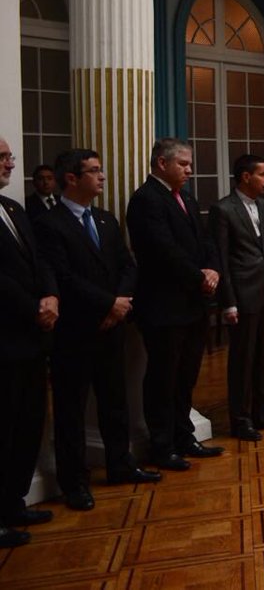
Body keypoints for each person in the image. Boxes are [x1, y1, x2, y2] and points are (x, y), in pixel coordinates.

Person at [38, 149, 160, 511]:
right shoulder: (49, 223)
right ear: (71, 178)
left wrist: (120, 303)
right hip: (75, 330)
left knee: (115, 401)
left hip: (112, 327)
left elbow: (128, 265)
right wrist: (108, 304)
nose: (102, 176)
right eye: (94, 171)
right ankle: (74, 482)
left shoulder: (105, 219)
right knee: (71, 409)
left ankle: (120, 463)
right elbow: (63, 277)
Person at [126, 138, 223, 471]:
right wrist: (199, 276)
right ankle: (162, 445)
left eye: (189, 164)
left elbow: (206, 240)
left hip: (194, 303)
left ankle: (184, 436)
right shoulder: (146, 200)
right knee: (163, 378)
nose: (189, 170)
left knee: (186, 376)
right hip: (164, 305)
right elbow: (161, 250)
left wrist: (212, 269)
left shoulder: (187, 198)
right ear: (161, 163)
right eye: (183, 164)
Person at [210, 154, 264, 442]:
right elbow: (221, 258)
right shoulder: (223, 209)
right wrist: (228, 301)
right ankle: (240, 419)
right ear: (246, 177)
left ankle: (263, 412)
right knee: (242, 360)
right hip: (242, 295)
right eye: (263, 174)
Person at [0, 137, 58, 547]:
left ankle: (13, 503)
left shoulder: (14, 208)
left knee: (28, 423)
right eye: (3, 157)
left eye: (9, 156)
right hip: (6, 337)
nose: (10, 163)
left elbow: (40, 261)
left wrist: (51, 295)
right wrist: (33, 306)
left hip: (33, 339)